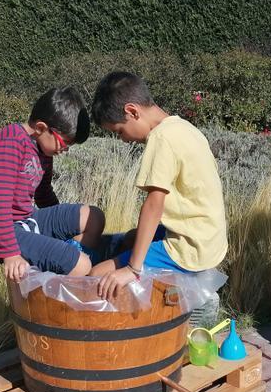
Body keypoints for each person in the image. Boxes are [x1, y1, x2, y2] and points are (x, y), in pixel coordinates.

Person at [88, 71, 228, 299]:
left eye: (119, 131)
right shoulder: (184, 128)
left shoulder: (161, 138)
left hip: (190, 248)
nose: (123, 139)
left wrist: (132, 269)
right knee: (132, 238)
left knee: (96, 275)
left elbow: (154, 206)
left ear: (132, 111)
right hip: (207, 239)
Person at [0, 87, 105, 283]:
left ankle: (63, 261)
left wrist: (60, 230)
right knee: (82, 266)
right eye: (64, 144)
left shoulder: (42, 148)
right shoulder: (9, 142)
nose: (64, 151)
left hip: (26, 221)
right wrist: (10, 253)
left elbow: (44, 194)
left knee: (94, 217)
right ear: (41, 128)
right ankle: (54, 303)